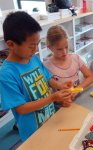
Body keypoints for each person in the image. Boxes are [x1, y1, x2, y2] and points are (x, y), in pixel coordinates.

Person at [0, 11, 72, 141]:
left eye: (38, 44)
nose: (36, 50)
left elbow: (47, 78)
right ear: (10, 44)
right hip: (33, 134)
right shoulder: (6, 74)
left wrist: (60, 86)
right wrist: (52, 98)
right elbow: (21, 108)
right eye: (32, 46)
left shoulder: (32, 58)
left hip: (50, 120)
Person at [44, 25, 93, 103]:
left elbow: (90, 77)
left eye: (66, 47)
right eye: (59, 49)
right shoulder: (46, 66)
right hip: (60, 106)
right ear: (50, 47)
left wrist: (78, 89)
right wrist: (60, 102)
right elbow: (48, 94)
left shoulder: (76, 58)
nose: (64, 52)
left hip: (78, 100)